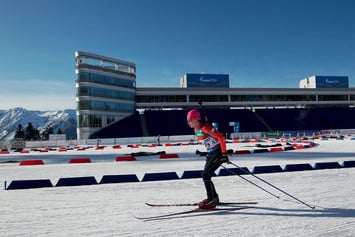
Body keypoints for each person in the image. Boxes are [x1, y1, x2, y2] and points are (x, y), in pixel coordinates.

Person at [186, 109, 229, 209]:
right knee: (206, 175)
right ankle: (214, 198)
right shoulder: (197, 129)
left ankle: (211, 200)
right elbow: (208, 141)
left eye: (190, 121)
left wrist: (224, 154)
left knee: (206, 175)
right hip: (211, 154)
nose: (188, 123)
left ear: (196, 119)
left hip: (218, 152)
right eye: (187, 121)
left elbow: (221, 137)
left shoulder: (205, 127)